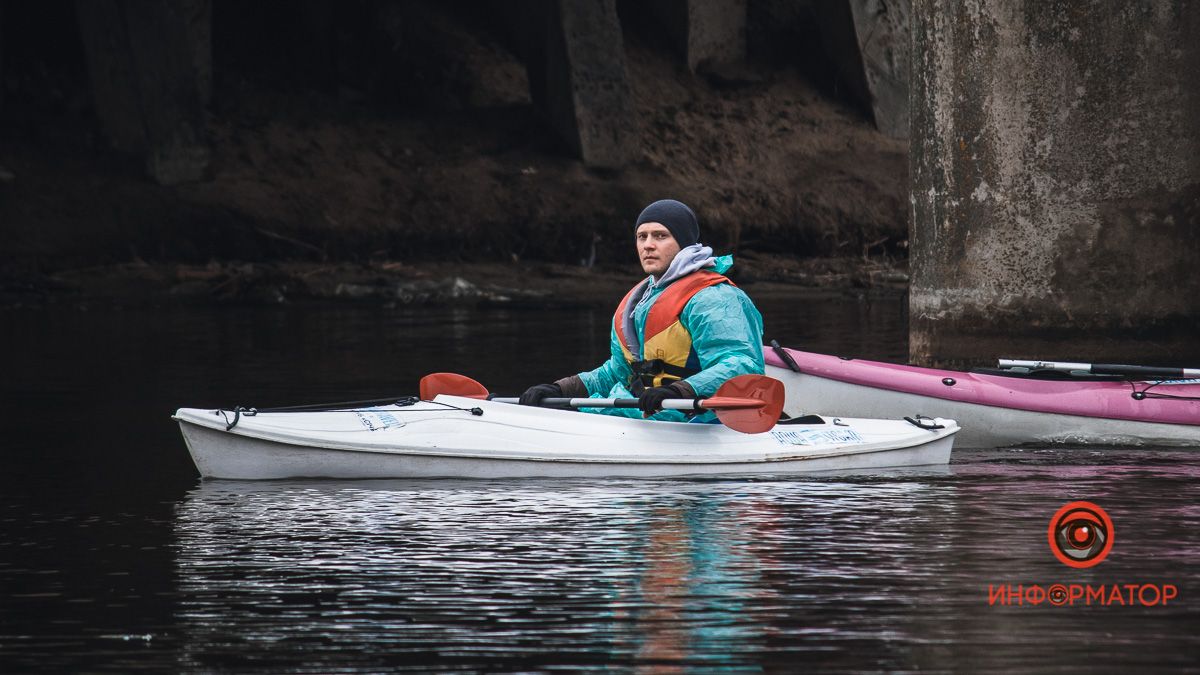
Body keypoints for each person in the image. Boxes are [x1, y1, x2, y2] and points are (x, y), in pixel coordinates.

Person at [519, 199, 765, 422]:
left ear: (684, 243)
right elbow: (618, 372)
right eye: (642, 236)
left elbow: (742, 364)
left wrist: (679, 390)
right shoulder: (640, 301)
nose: (648, 245)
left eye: (660, 236)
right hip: (653, 415)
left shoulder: (714, 298)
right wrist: (560, 389)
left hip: (701, 419)